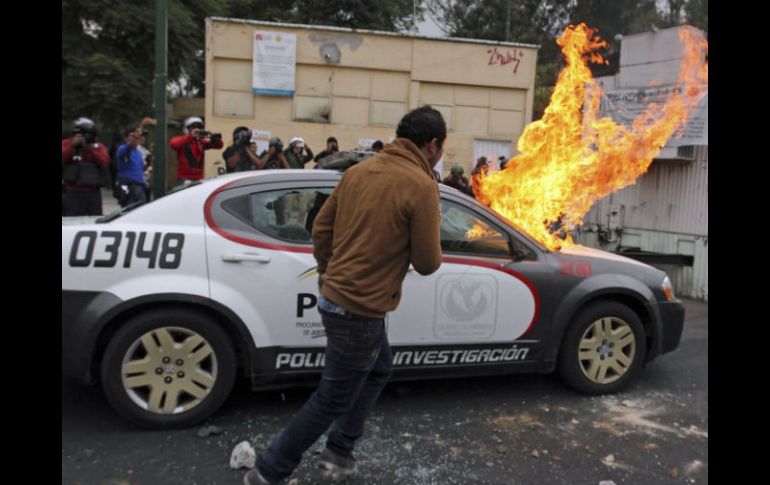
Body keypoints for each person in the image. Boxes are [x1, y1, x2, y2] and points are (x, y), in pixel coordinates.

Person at [245, 105, 445, 485]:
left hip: (337, 298)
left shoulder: (357, 172)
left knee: (379, 367)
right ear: (432, 145)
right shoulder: (420, 184)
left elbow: (321, 228)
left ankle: (340, 448)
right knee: (332, 397)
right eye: (440, 150)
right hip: (361, 308)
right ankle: (269, 471)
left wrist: (328, 273)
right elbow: (428, 263)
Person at [62, 117, 110, 216]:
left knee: (94, 220)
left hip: (93, 192)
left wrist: (90, 150)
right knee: (72, 219)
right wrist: (73, 146)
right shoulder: (67, 143)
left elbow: (104, 162)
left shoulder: (97, 146)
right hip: (73, 191)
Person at [169, 116, 223, 185]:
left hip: (199, 177)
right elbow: (173, 144)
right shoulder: (184, 140)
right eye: (193, 127)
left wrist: (215, 139)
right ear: (187, 128)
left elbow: (219, 146)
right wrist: (191, 136)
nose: (197, 129)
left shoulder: (201, 142)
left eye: (199, 127)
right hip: (184, 178)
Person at [114, 128, 148, 207]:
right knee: (129, 210)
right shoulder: (122, 149)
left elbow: (141, 168)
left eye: (137, 136)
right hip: (128, 185)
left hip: (140, 186)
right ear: (125, 138)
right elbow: (128, 147)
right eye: (132, 136)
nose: (136, 138)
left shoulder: (139, 152)